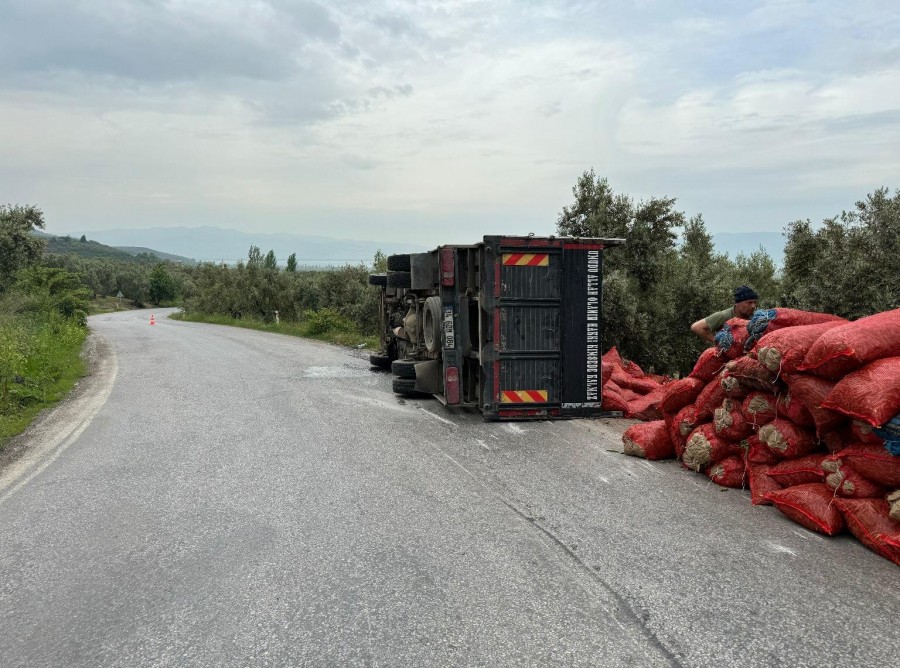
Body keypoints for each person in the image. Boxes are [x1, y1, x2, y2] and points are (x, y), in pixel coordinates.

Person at [691, 285, 759, 343]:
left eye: (755, 302)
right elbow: (696, 327)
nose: (753, 306)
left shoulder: (756, 318)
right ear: (737, 303)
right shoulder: (724, 315)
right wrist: (717, 341)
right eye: (749, 303)